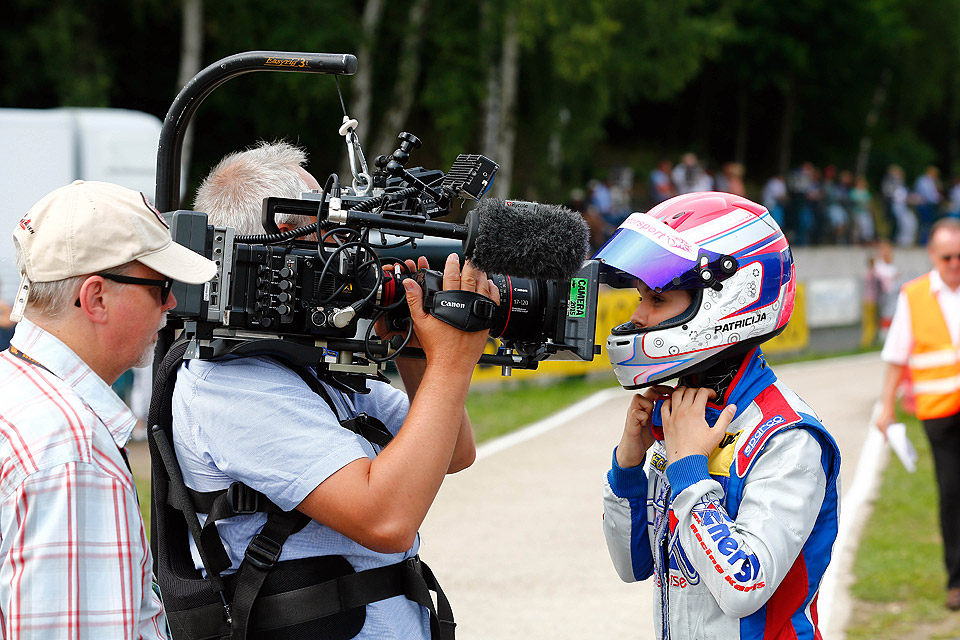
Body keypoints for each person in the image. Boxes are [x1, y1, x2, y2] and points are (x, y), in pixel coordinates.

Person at [169, 141, 495, 638]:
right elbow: (386, 521)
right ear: (287, 231)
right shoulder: (230, 386)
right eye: (331, 225)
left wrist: (411, 343)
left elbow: (454, 451)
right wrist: (453, 362)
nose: (344, 246)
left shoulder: (309, 364)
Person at [596, 191, 841, 639]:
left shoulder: (787, 436)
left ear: (726, 302)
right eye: (640, 298)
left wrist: (689, 469)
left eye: (657, 299)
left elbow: (744, 586)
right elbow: (633, 564)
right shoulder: (684, 413)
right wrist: (629, 464)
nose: (638, 316)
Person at [0, 180, 217, 637]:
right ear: (95, 297)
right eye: (161, 286)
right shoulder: (73, 456)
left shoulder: (16, 390)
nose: (172, 303)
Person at [876, 216, 960, 610]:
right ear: (932, 255)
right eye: (947, 257)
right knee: (952, 494)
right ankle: (956, 581)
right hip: (940, 414)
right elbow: (896, 358)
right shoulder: (915, 295)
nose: (955, 264)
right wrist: (885, 409)